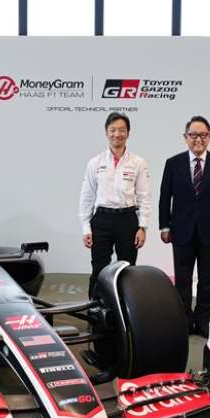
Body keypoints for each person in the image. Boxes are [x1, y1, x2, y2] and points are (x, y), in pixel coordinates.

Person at [159, 116, 210, 338]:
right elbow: (165, 198)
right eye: (193, 135)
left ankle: (202, 322)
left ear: (209, 137)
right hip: (181, 231)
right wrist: (164, 226)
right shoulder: (173, 163)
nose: (198, 139)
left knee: (207, 280)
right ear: (185, 137)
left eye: (203, 135)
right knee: (182, 280)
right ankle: (184, 320)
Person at [79, 112, 151, 298]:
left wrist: (142, 227)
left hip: (127, 219)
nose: (116, 134)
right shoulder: (95, 163)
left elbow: (144, 196)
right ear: (106, 132)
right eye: (112, 130)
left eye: (121, 130)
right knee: (99, 268)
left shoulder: (138, 162)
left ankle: (126, 314)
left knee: (127, 270)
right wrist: (86, 227)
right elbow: (87, 196)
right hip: (101, 219)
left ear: (128, 133)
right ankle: (95, 311)